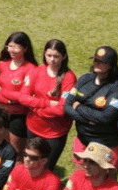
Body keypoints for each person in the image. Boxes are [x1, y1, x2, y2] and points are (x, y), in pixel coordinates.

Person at [64, 45, 118, 172]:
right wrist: (88, 120)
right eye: (95, 60)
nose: (96, 63)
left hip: (108, 144)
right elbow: (67, 106)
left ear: (111, 66)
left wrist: (79, 107)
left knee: (105, 181)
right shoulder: (85, 79)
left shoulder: (117, 87)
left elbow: (106, 117)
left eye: (101, 62)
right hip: (83, 140)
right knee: (80, 177)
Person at [17, 38, 75, 170]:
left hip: (55, 133)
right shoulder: (36, 71)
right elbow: (23, 97)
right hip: (33, 128)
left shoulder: (69, 77)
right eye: (49, 55)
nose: (52, 59)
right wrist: (47, 103)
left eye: (56, 56)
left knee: (46, 169)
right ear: (44, 54)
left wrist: (35, 107)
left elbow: (61, 110)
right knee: (30, 165)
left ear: (64, 56)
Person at [0, 31, 37, 160]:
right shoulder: (1, 65)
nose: (12, 50)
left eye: (16, 47)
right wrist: (10, 100)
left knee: (16, 152)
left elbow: (23, 96)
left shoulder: (31, 69)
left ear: (25, 48)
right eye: (9, 46)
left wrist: (1, 92)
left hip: (18, 116)